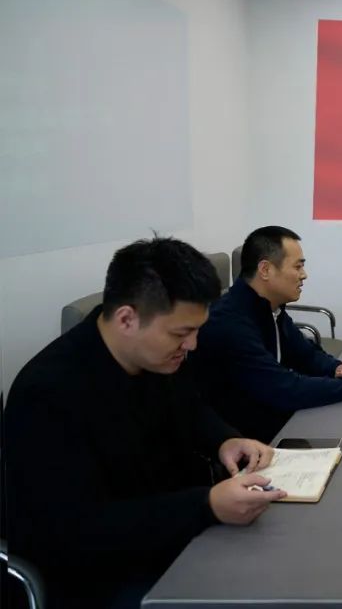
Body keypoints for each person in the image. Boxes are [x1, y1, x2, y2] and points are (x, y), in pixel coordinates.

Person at [3, 238, 286, 609]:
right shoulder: (48, 394)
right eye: (181, 333)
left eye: (197, 330)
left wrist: (225, 440)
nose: (192, 345)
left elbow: (190, 409)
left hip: (173, 537)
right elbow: (77, 530)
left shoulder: (155, 356)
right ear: (126, 319)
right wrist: (206, 506)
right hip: (99, 576)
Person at [192, 226, 342, 442]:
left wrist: (340, 368)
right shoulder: (229, 323)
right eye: (297, 267)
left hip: (277, 421)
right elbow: (284, 390)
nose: (304, 275)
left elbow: (306, 356)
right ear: (265, 270)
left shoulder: (268, 307)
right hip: (249, 440)